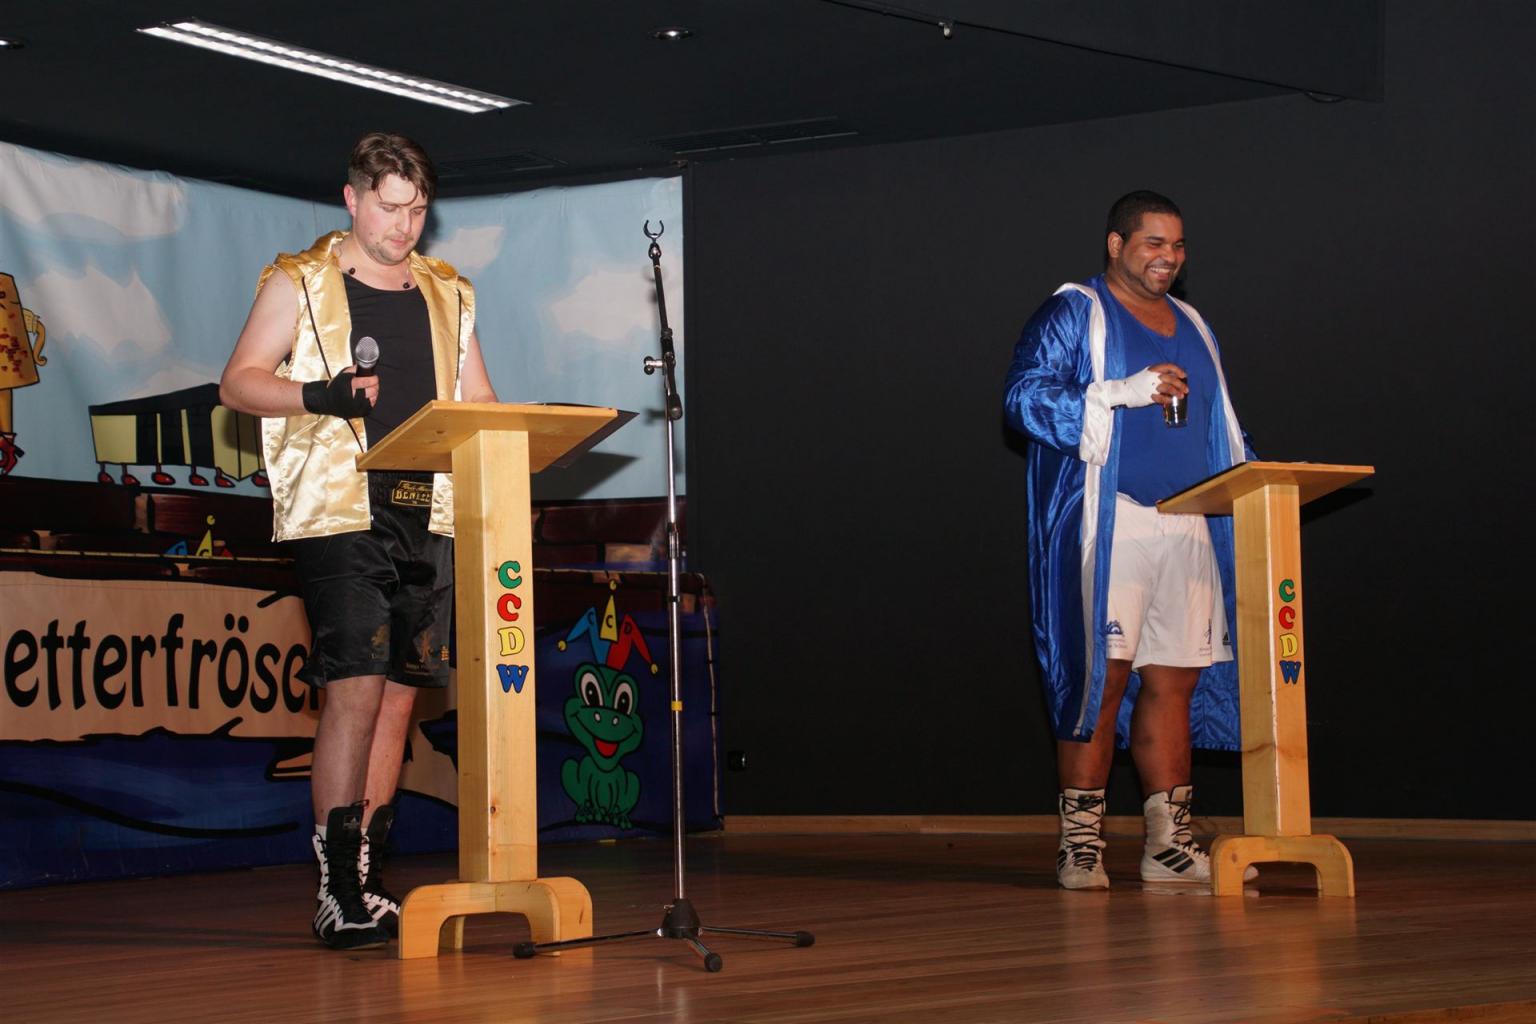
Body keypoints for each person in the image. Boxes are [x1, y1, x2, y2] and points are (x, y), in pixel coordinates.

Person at [220, 132, 498, 947]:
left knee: (401, 694)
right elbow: (238, 382)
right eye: (389, 207)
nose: (404, 226)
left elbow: (479, 400)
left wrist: (519, 435)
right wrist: (317, 395)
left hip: (429, 508)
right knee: (357, 685)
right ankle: (334, 885)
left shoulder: (450, 292)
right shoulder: (299, 280)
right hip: (341, 508)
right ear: (351, 199)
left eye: (418, 210)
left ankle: (369, 878)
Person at [1002, 191, 1253, 890]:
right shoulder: (1074, 310)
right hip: (1112, 519)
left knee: (1175, 678)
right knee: (1103, 676)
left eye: (1178, 245)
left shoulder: (1193, 323)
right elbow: (1021, 398)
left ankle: (1168, 846)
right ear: (1116, 245)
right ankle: (1081, 844)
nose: (1168, 257)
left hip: (1188, 521)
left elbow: (1222, 424)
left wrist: (1259, 480)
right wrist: (1117, 392)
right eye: (1153, 243)